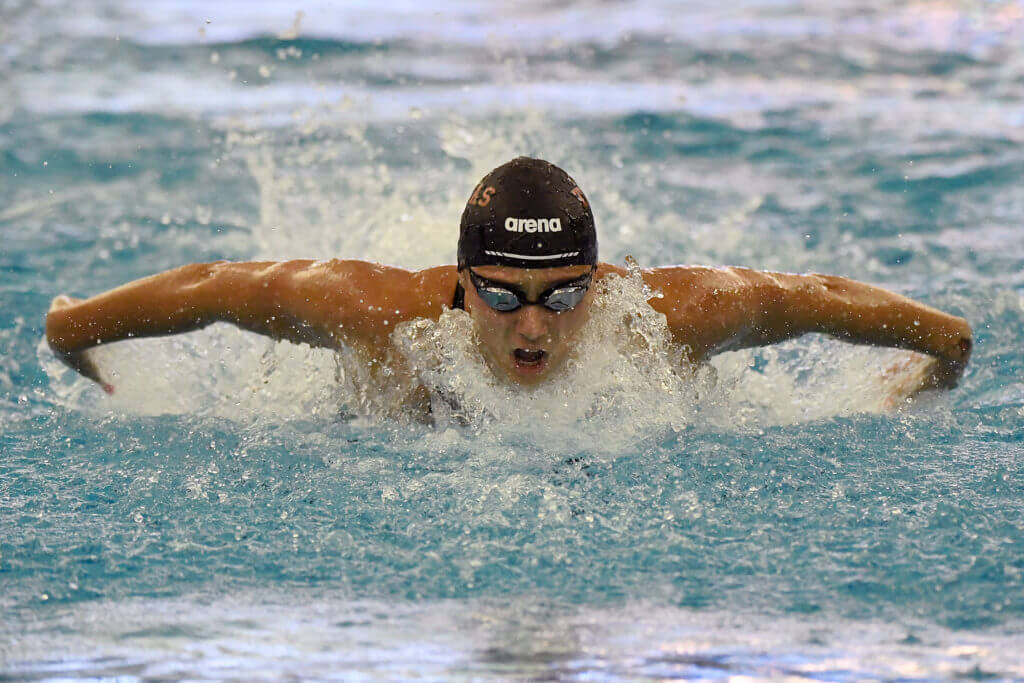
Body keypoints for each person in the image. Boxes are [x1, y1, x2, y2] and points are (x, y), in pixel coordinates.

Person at [45, 156, 972, 407]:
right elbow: (219, 285)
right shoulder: (379, 315)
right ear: (458, 284)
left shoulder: (661, 317)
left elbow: (811, 297)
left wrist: (941, 352)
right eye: (501, 294)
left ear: (597, 281)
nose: (534, 327)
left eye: (563, 295)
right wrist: (72, 329)